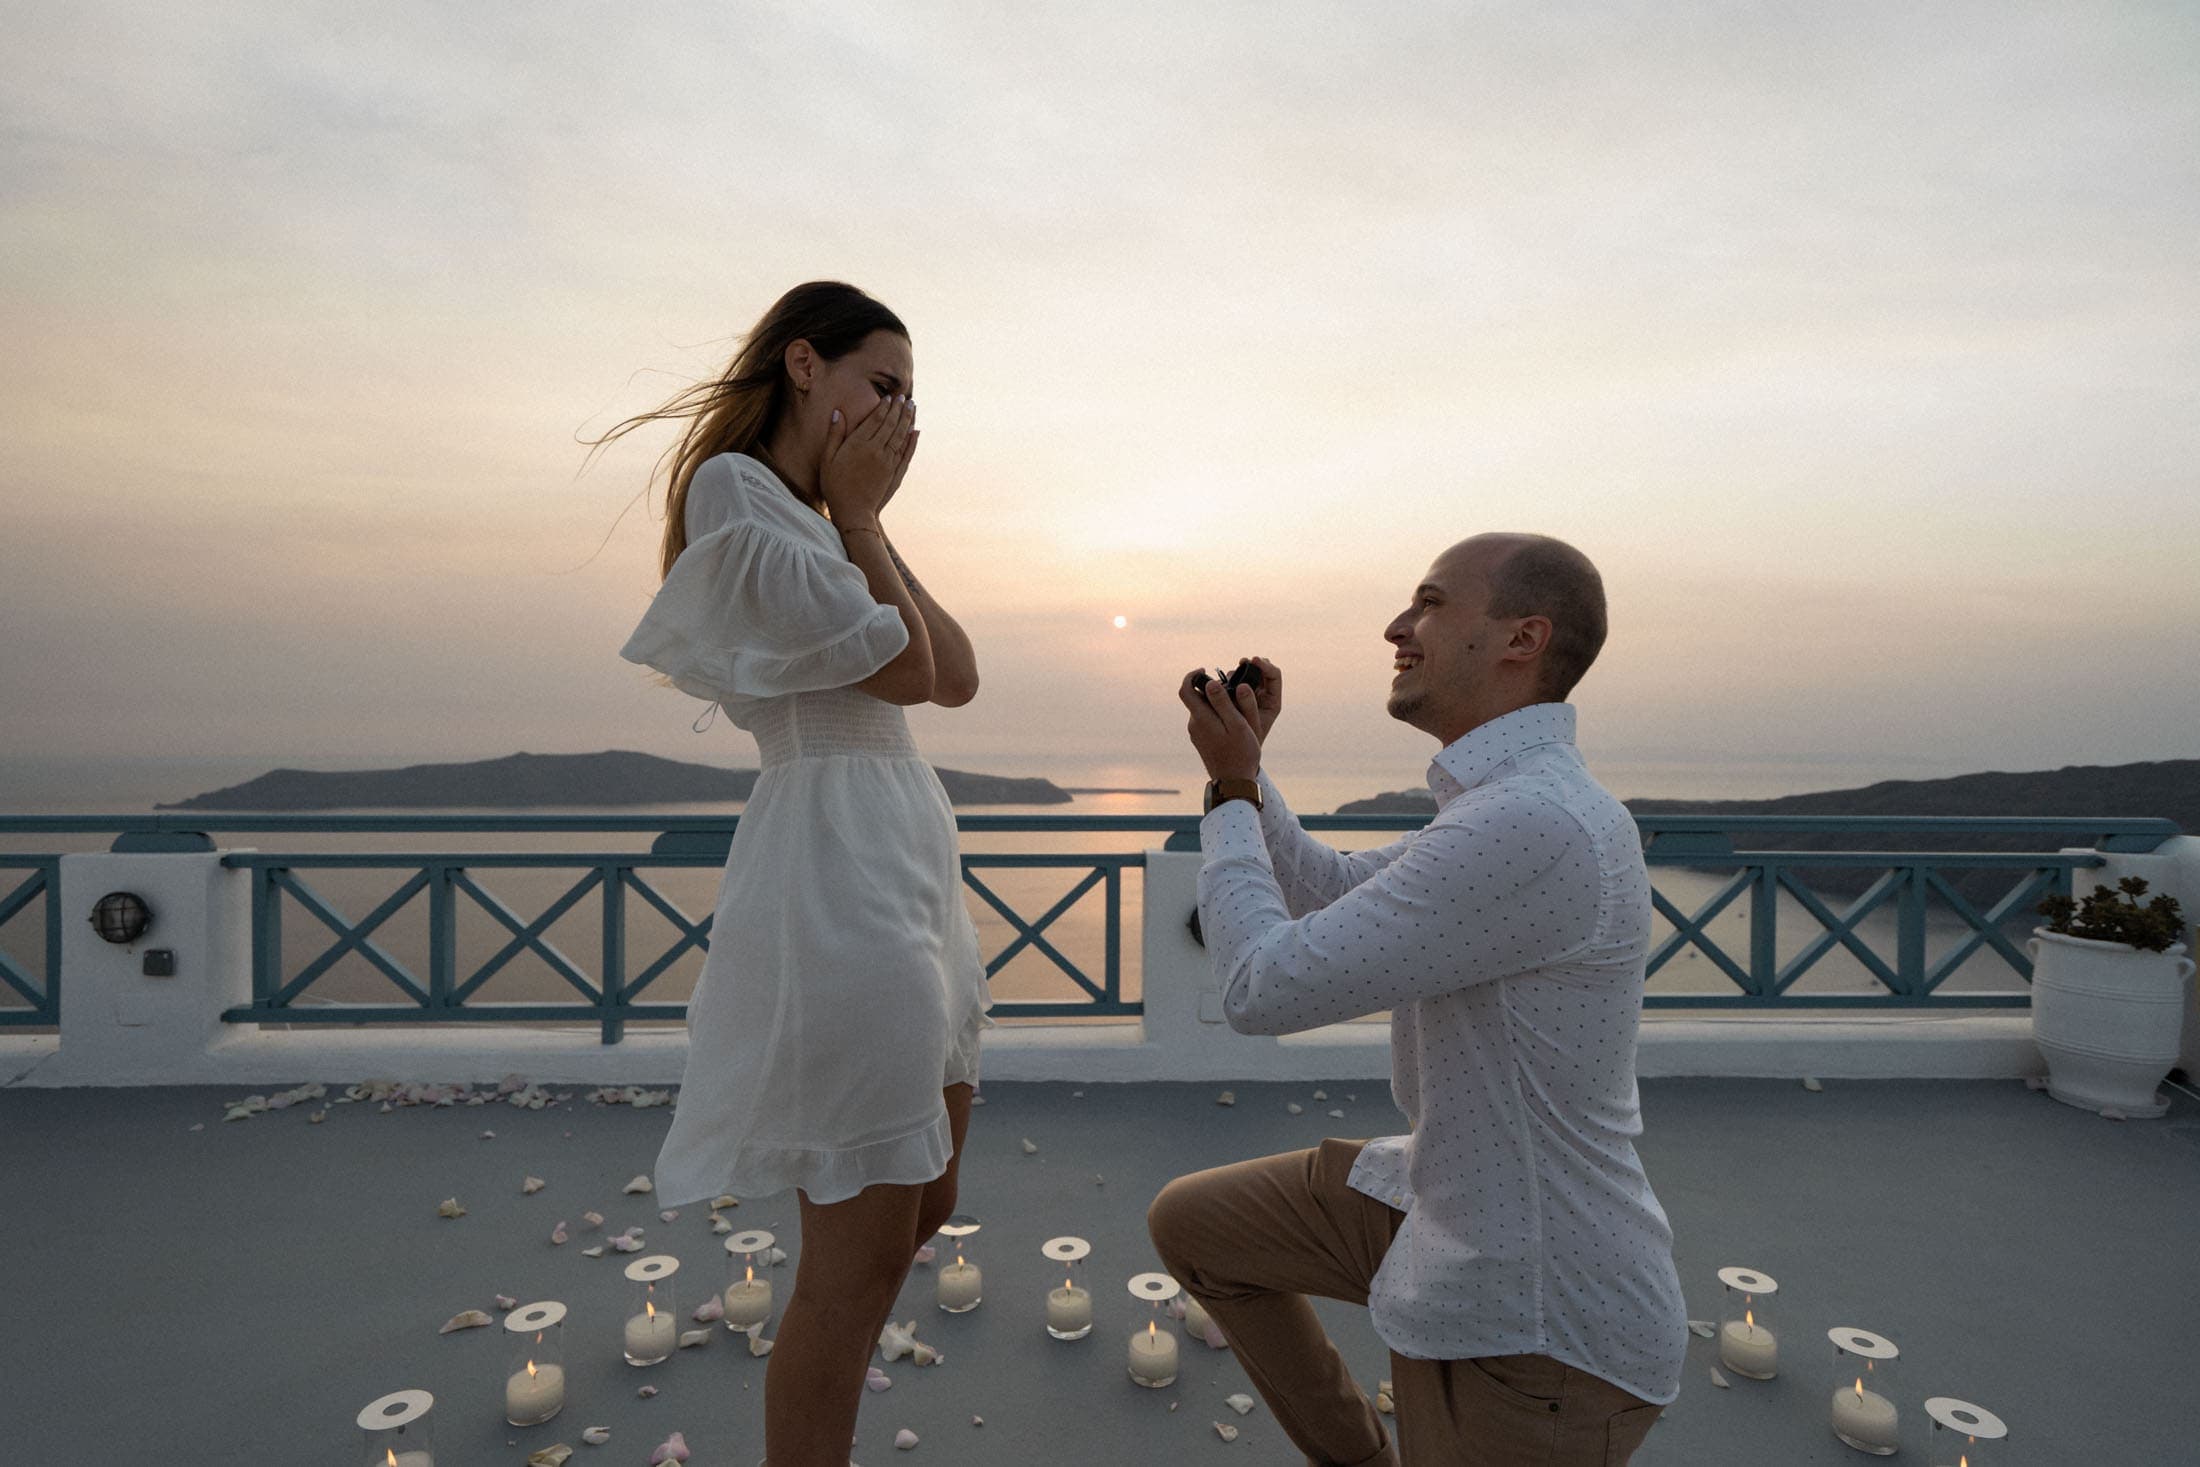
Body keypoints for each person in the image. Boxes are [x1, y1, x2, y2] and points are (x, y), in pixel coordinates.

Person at [1148, 534, 1686, 1466]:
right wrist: (1254, 769)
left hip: (1537, 1312)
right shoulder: (1507, 803)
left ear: (1523, 637)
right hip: (1450, 1195)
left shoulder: (1534, 823)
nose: (1398, 626)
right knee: (1195, 1226)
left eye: (1430, 603)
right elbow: (1328, 885)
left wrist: (1232, 793)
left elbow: (1258, 987)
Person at [597, 281, 991, 1466]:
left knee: (926, 1201)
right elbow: (907, 677)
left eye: (912, 399)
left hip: (905, 853)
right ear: (805, 364)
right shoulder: (734, 493)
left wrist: (863, 514)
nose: (897, 415)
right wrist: (858, 519)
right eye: (883, 384)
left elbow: (956, 673)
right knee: (855, 1262)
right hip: (834, 860)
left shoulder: (823, 517)